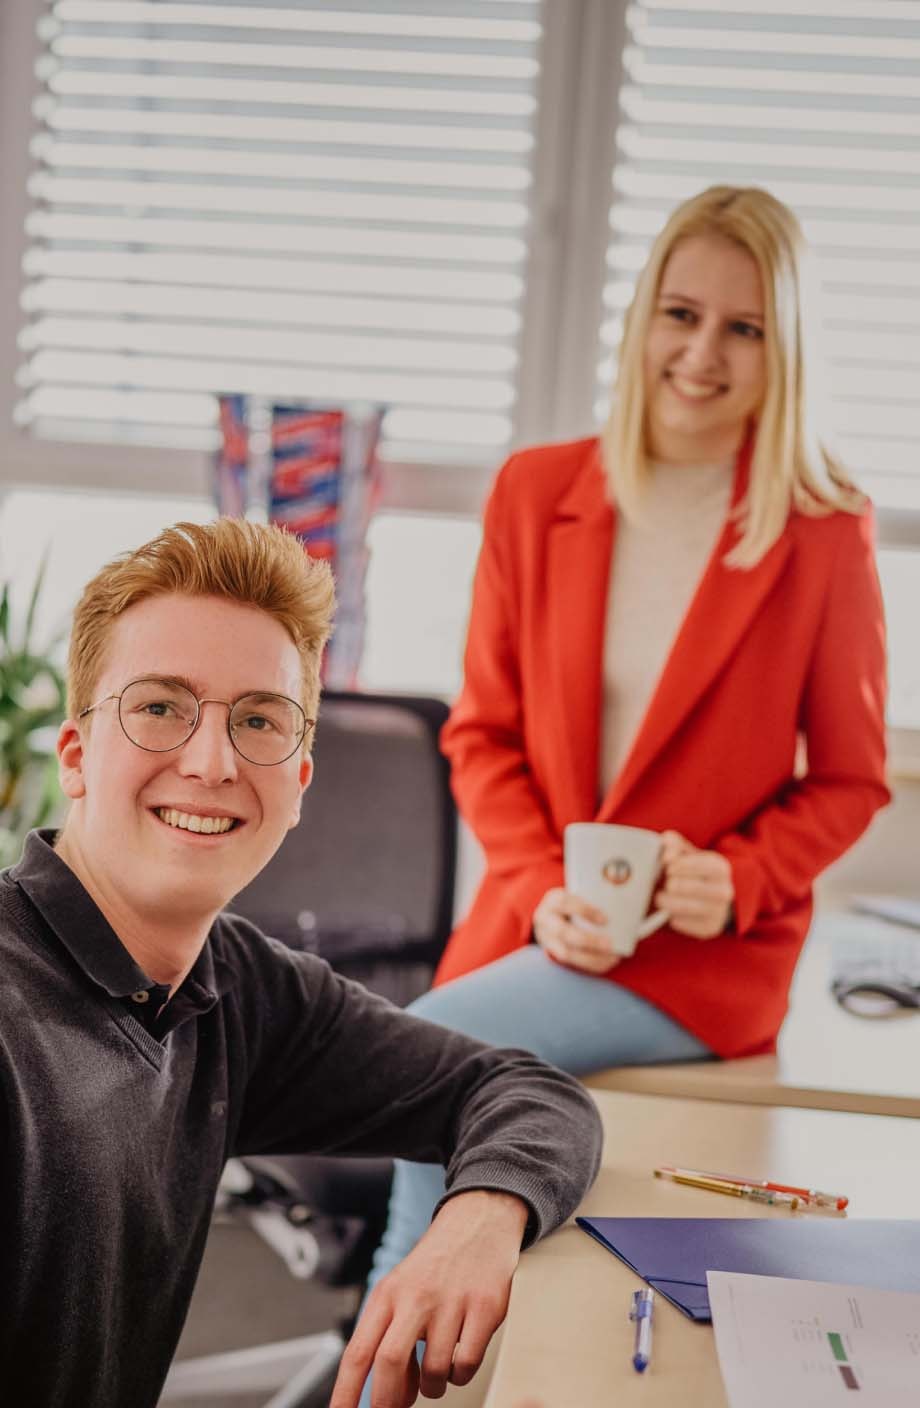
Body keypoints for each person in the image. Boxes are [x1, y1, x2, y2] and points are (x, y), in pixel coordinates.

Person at [359, 185, 890, 1338]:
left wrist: (739, 874)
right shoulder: (535, 491)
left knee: (432, 1059)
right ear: (643, 315)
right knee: (440, 1070)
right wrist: (546, 886)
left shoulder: (821, 525)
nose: (700, 354)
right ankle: (410, 1313)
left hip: (703, 955)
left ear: (779, 347)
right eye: (680, 313)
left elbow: (849, 778)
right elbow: (480, 733)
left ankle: (390, 1301)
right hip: (538, 919)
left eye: (743, 328)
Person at [0, 517, 602, 1408]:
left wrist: (481, 1214)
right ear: (80, 756)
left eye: (258, 720)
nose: (210, 762)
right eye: (160, 707)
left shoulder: (230, 987)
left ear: (299, 785)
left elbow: (523, 1091)